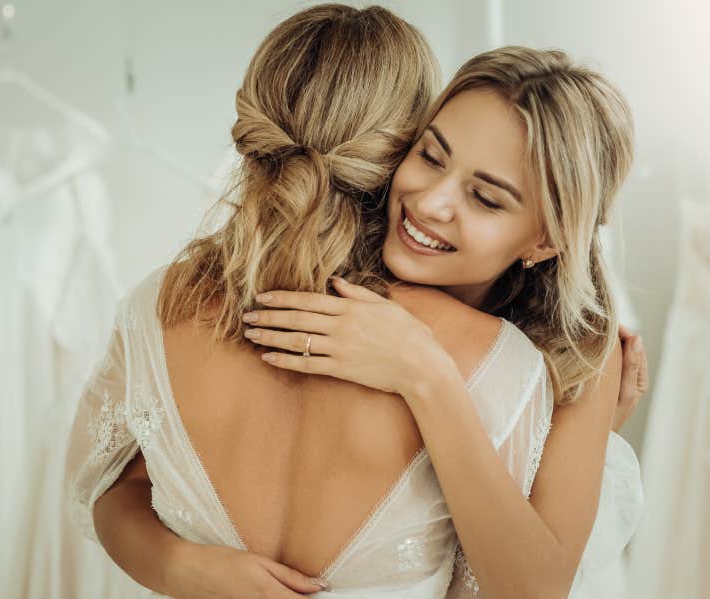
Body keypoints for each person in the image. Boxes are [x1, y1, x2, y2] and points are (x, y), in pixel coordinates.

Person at [67, 5, 646, 597]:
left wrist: (425, 375)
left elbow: (533, 585)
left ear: (546, 239)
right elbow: (121, 483)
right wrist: (178, 565)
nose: (431, 202)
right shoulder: (276, 293)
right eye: (430, 155)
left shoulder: (568, 354)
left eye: (486, 199)